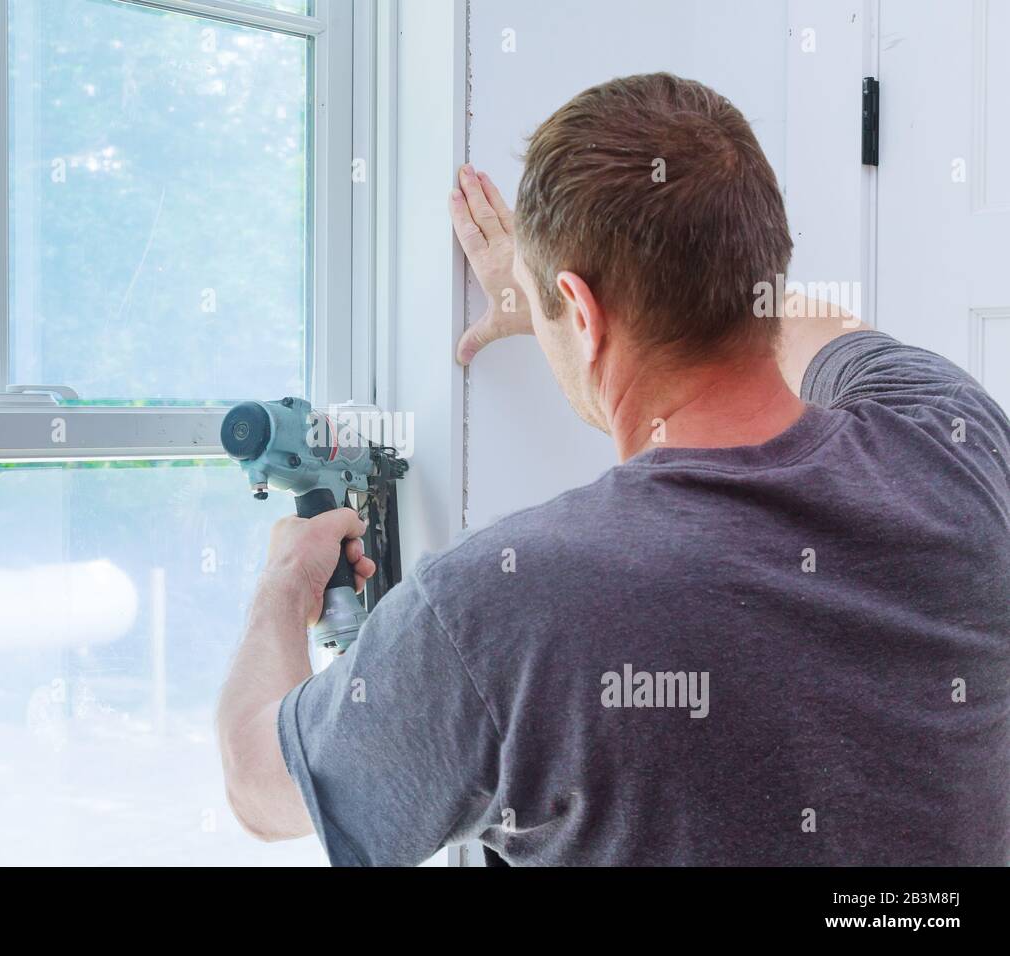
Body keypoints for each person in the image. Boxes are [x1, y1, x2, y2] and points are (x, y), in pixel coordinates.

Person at [216, 73, 1010, 866]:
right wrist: (592, 288)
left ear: (583, 312)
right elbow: (824, 325)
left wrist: (285, 585)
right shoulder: (952, 441)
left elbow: (259, 784)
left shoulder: (499, 606)